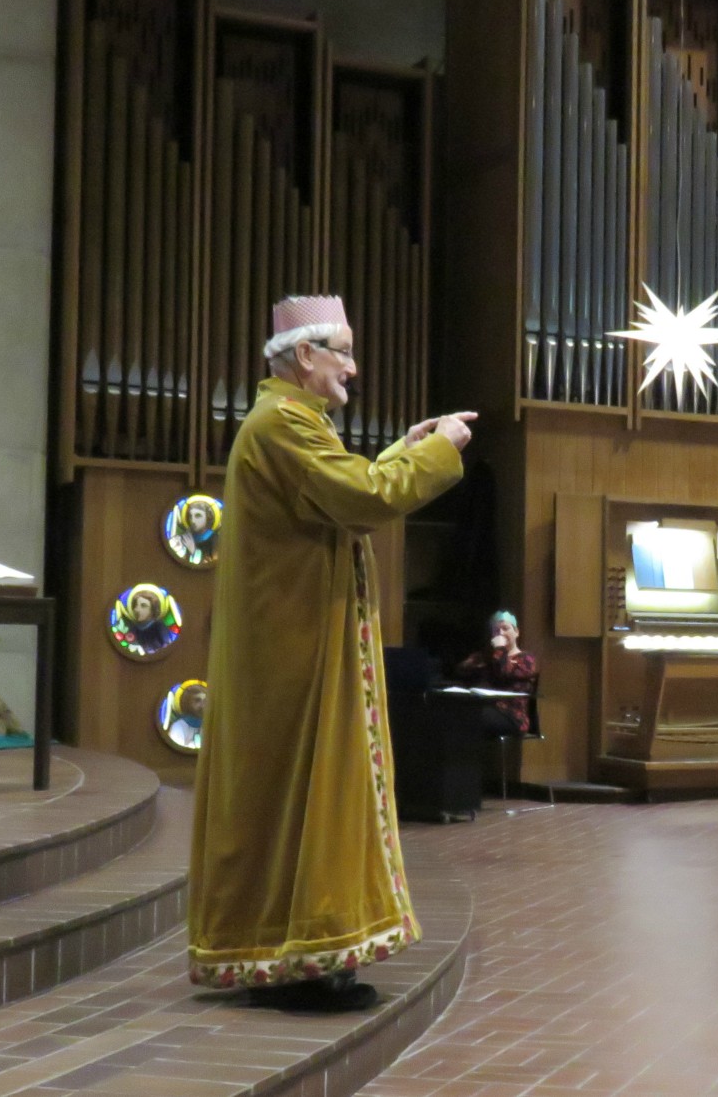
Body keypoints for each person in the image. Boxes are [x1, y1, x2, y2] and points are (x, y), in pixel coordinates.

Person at [186, 293, 475, 1011]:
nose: (354, 365)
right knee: (304, 797)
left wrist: (402, 453)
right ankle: (301, 960)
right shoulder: (283, 422)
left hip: (297, 645)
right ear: (305, 355)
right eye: (342, 351)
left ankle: (295, 955)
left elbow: (340, 493)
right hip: (294, 655)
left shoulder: (292, 422)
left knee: (294, 799)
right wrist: (437, 452)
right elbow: (363, 498)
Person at [454, 610, 539, 737]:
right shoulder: (486, 656)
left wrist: (500, 649)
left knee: (470, 718)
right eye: (496, 630)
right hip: (486, 708)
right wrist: (475, 664)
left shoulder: (526, 659)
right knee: (453, 714)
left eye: (505, 628)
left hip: (512, 716)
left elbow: (503, 672)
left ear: (516, 632)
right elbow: (461, 671)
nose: (501, 634)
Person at [168, 683, 207, 749]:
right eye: (197, 700)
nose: (202, 705)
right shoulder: (178, 727)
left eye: (205, 701)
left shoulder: (209, 726)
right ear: (187, 703)